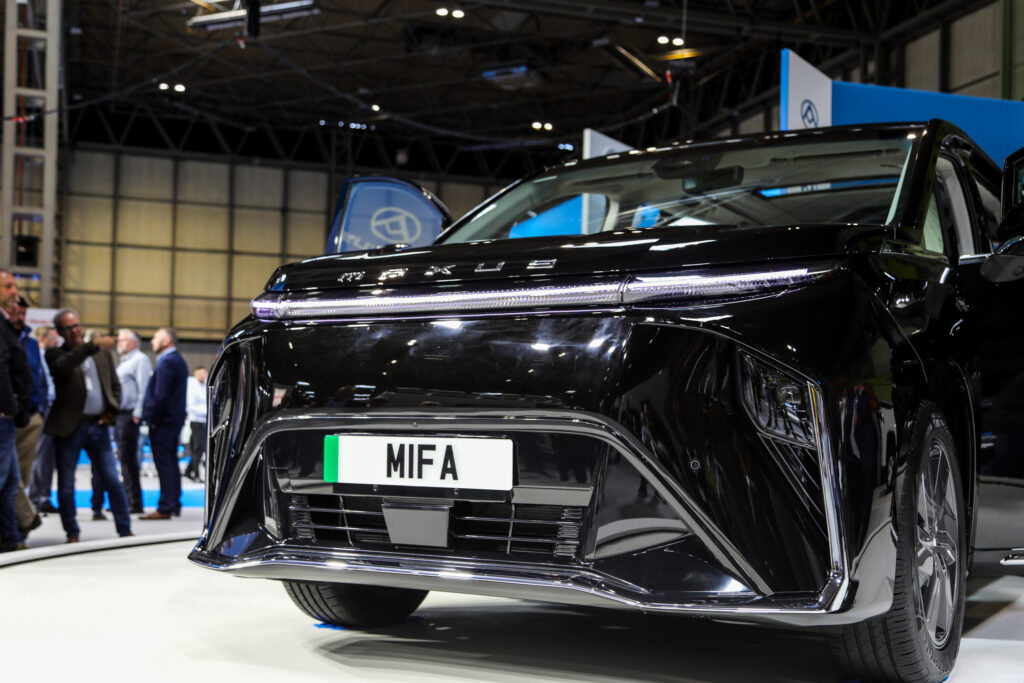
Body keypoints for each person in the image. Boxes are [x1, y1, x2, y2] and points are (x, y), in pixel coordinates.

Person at [44, 309, 132, 542]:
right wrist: (92, 345)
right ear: (60, 332)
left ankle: (125, 530)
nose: (75, 331)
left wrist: (112, 411)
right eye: (68, 328)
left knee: (112, 479)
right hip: (70, 428)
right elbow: (65, 367)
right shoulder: (55, 354)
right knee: (66, 483)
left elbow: (115, 386)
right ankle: (72, 532)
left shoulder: (101, 354)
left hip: (99, 426)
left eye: (76, 325)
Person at [140, 328, 188, 520]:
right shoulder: (177, 360)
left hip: (164, 421)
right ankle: (173, 503)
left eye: (156, 338)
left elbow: (160, 395)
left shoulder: (167, 361)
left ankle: (166, 506)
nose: (152, 341)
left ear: (167, 341)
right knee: (171, 462)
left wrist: (152, 419)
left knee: (164, 463)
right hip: (173, 419)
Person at [8, 296, 46, 538]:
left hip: (30, 419)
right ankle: (24, 519)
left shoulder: (31, 344)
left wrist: (39, 410)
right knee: (8, 476)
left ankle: (18, 531)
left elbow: (39, 378)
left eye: (23, 314)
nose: (19, 318)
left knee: (22, 475)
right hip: (7, 416)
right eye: (15, 313)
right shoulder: (5, 338)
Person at [0, 272, 32, 552]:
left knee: (10, 483)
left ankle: (11, 540)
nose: (15, 292)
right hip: (3, 416)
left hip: (9, 417)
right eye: (8, 286)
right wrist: (8, 408)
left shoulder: (6, 324)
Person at [113, 329, 151, 513]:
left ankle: (134, 503)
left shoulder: (140, 359)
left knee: (128, 460)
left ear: (134, 343)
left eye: (123, 340)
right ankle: (126, 500)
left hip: (129, 416)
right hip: (120, 416)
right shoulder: (124, 362)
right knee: (122, 459)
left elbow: (144, 387)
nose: (118, 343)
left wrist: (138, 412)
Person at [27, 325, 59, 513]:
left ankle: (44, 497)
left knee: (48, 458)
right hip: (42, 411)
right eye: (53, 339)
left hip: (53, 411)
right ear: (42, 339)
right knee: (39, 456)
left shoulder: (50, 358)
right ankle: (35, 498)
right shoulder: (35, 357)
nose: (56, 342)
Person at [184, 366, 208, 481]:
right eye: (200, 374)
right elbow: (191, 406)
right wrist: (206, 411)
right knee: (198, 448)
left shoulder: (206, 386)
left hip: (204, 421)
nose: (202, 376)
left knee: (198, 448)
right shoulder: (193, 388)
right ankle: (196, 475)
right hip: (197, 422)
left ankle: (188, 471)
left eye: (204, 373)